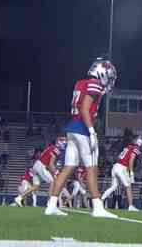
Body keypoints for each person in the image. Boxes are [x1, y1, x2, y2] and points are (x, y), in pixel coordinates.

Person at [44, 58, 118, 218]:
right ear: (102, 73)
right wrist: (91, 132)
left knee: (68, 167)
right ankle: (98, 207)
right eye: (109, 75)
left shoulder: (81, 83)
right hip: (82, 129)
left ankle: (51, 205)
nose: (109, 79)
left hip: (72, 128)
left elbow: (84, 105)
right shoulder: (95, 84)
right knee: (91, 168)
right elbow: (85, 109)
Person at [15, 137, 65, 207]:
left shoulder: (51, 147)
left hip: (36, 165)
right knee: (52, 182)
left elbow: (49, 163)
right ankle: (49, 202)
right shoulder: (56, 150)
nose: (65, 144)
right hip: (41, 165)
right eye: (64, 142)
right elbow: (51, 165)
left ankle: (19, 198)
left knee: (36, 185)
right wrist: (56, 172)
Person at [101, 135, 142, 211]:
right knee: (128, 186)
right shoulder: (135, 148)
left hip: (115, 166)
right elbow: (131, 161)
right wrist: (131, 173)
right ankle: (130, 206)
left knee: (114, 187)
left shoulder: (128, 147)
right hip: (121, 167)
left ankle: (101, 199)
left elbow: (121, 157)